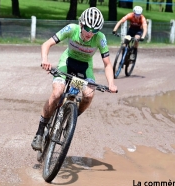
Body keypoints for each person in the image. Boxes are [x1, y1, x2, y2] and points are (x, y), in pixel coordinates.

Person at [31, 7, 118, 151]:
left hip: (84, 67)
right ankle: (39, 133)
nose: (91, 33)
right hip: (67, 62)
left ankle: (72, 117)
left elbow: (107, 64)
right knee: (57, 93)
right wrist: (45, 60)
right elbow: (46, 44)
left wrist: (111, 83)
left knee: (89, 95)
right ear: (82, 24)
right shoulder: (71, 29)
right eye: (88, 28)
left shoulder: (100, 38)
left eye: (95, 30)